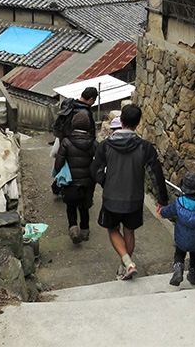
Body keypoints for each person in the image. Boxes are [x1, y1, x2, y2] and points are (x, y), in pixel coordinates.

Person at [91, 104, 168, 280]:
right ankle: (124, 265)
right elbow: (156, 175)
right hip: (134, 198)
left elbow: (94, 170)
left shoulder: (105, 146)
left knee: (112, 229)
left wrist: (105, 182)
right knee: (129, 231)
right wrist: (162, 200)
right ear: (138, 123)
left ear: (122, 121)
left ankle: (127, 262)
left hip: (111, 198)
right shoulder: (145, 147)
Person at [158, 171, 195, 287]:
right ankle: (193, 275)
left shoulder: (179, 202)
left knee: (179, 253)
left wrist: (161, 211)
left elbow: (166, 212)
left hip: (181, 239)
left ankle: (178, 269)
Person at [54, 110, 97, 244]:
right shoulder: (94, 143)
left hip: (71, 181)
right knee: (84, 207)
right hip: (88, 182)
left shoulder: (66, 142)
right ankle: (85, 230)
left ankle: (73, 228)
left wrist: (59, 172)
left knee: (71, 206)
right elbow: (99, 162)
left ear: (73, 124)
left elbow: (58, 164)